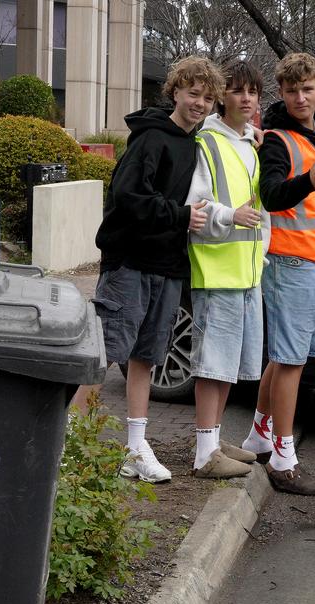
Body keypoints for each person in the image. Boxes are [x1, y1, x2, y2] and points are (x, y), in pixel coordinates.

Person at [72, 56, 224, 483]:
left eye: (208, 98)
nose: (199, 103)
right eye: (193, 93)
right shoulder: (150, 140)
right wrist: (179, 215)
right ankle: (69, 441)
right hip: (130, 264)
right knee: (103, 355)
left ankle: (135, 447)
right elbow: (128, 195)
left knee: (145, 359)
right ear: (174, 91)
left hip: (169, 267)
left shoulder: (195, 144)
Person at [240, 52, 315, 495]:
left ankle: (260, 435)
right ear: (281, 93)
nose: (300, 97)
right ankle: (283, 457)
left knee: (286, 358)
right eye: (291, 91)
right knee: (290, 361)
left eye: (307, 89)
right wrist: (309, 181)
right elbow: (271, 194)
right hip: (288, 261)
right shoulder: (280, 140)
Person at [183, 59, 271, 478]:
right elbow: (194, 205)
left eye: (252, 91)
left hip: (246, 272)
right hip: (217, 271)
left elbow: (259, 210)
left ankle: (214, 443)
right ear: (223, 97)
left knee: (229, 368)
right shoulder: (208, 142)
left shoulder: (249, 144)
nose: (247, 98)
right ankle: (204, 453)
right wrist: (229, 217)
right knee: (213, 366)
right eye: (237, 90)